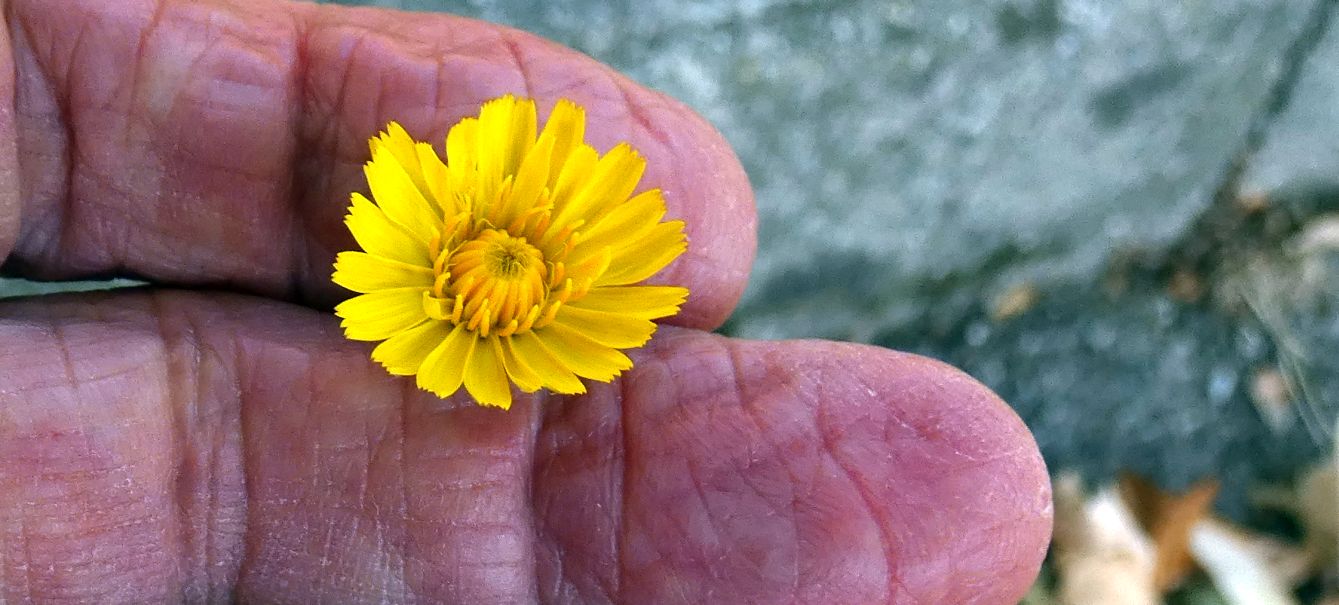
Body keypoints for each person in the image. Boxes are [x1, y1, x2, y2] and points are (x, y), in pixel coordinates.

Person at [0, 1, 1051, 602]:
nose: (503, 262)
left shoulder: (578, 309)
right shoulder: (415, 242)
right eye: (497, 249)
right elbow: (378, 288)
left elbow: (611, 319)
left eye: (519, 255)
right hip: (400, 298)